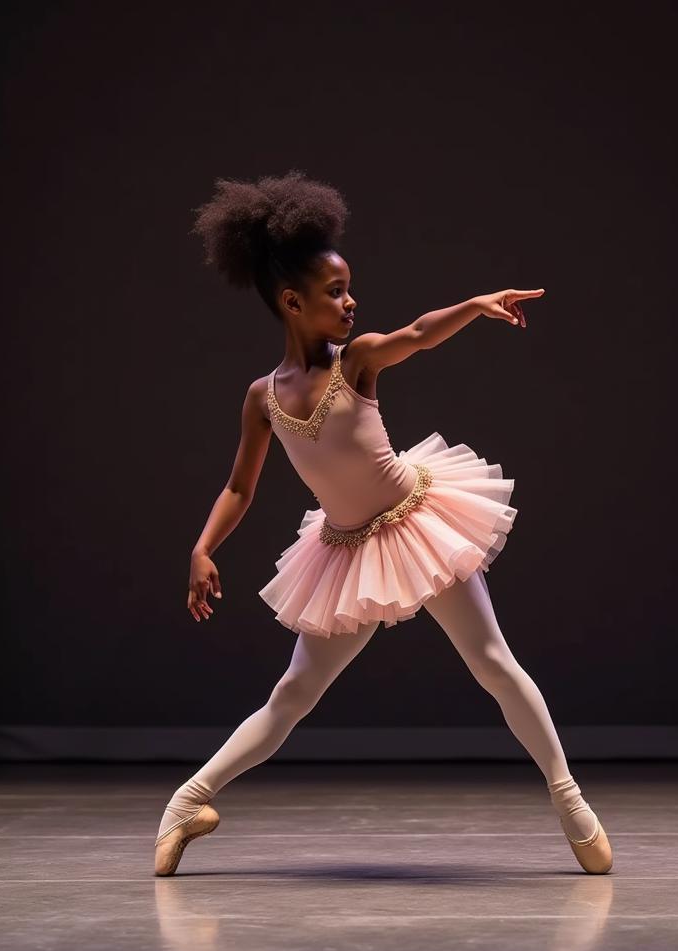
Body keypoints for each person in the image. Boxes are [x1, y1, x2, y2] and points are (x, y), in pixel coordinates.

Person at [154, 169, 612, 877]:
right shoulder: (262, 399)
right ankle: (187, 803)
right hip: (343, 552)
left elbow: (419, 335)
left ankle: (569, 798)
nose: (349, 301)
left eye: (348, 288)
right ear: (291, 302)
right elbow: (239, 487)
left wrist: (476, 304)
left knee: (491, 662)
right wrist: (203, 546)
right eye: (335, 292)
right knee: (293, 694)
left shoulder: (358, 362)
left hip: (415, 525)